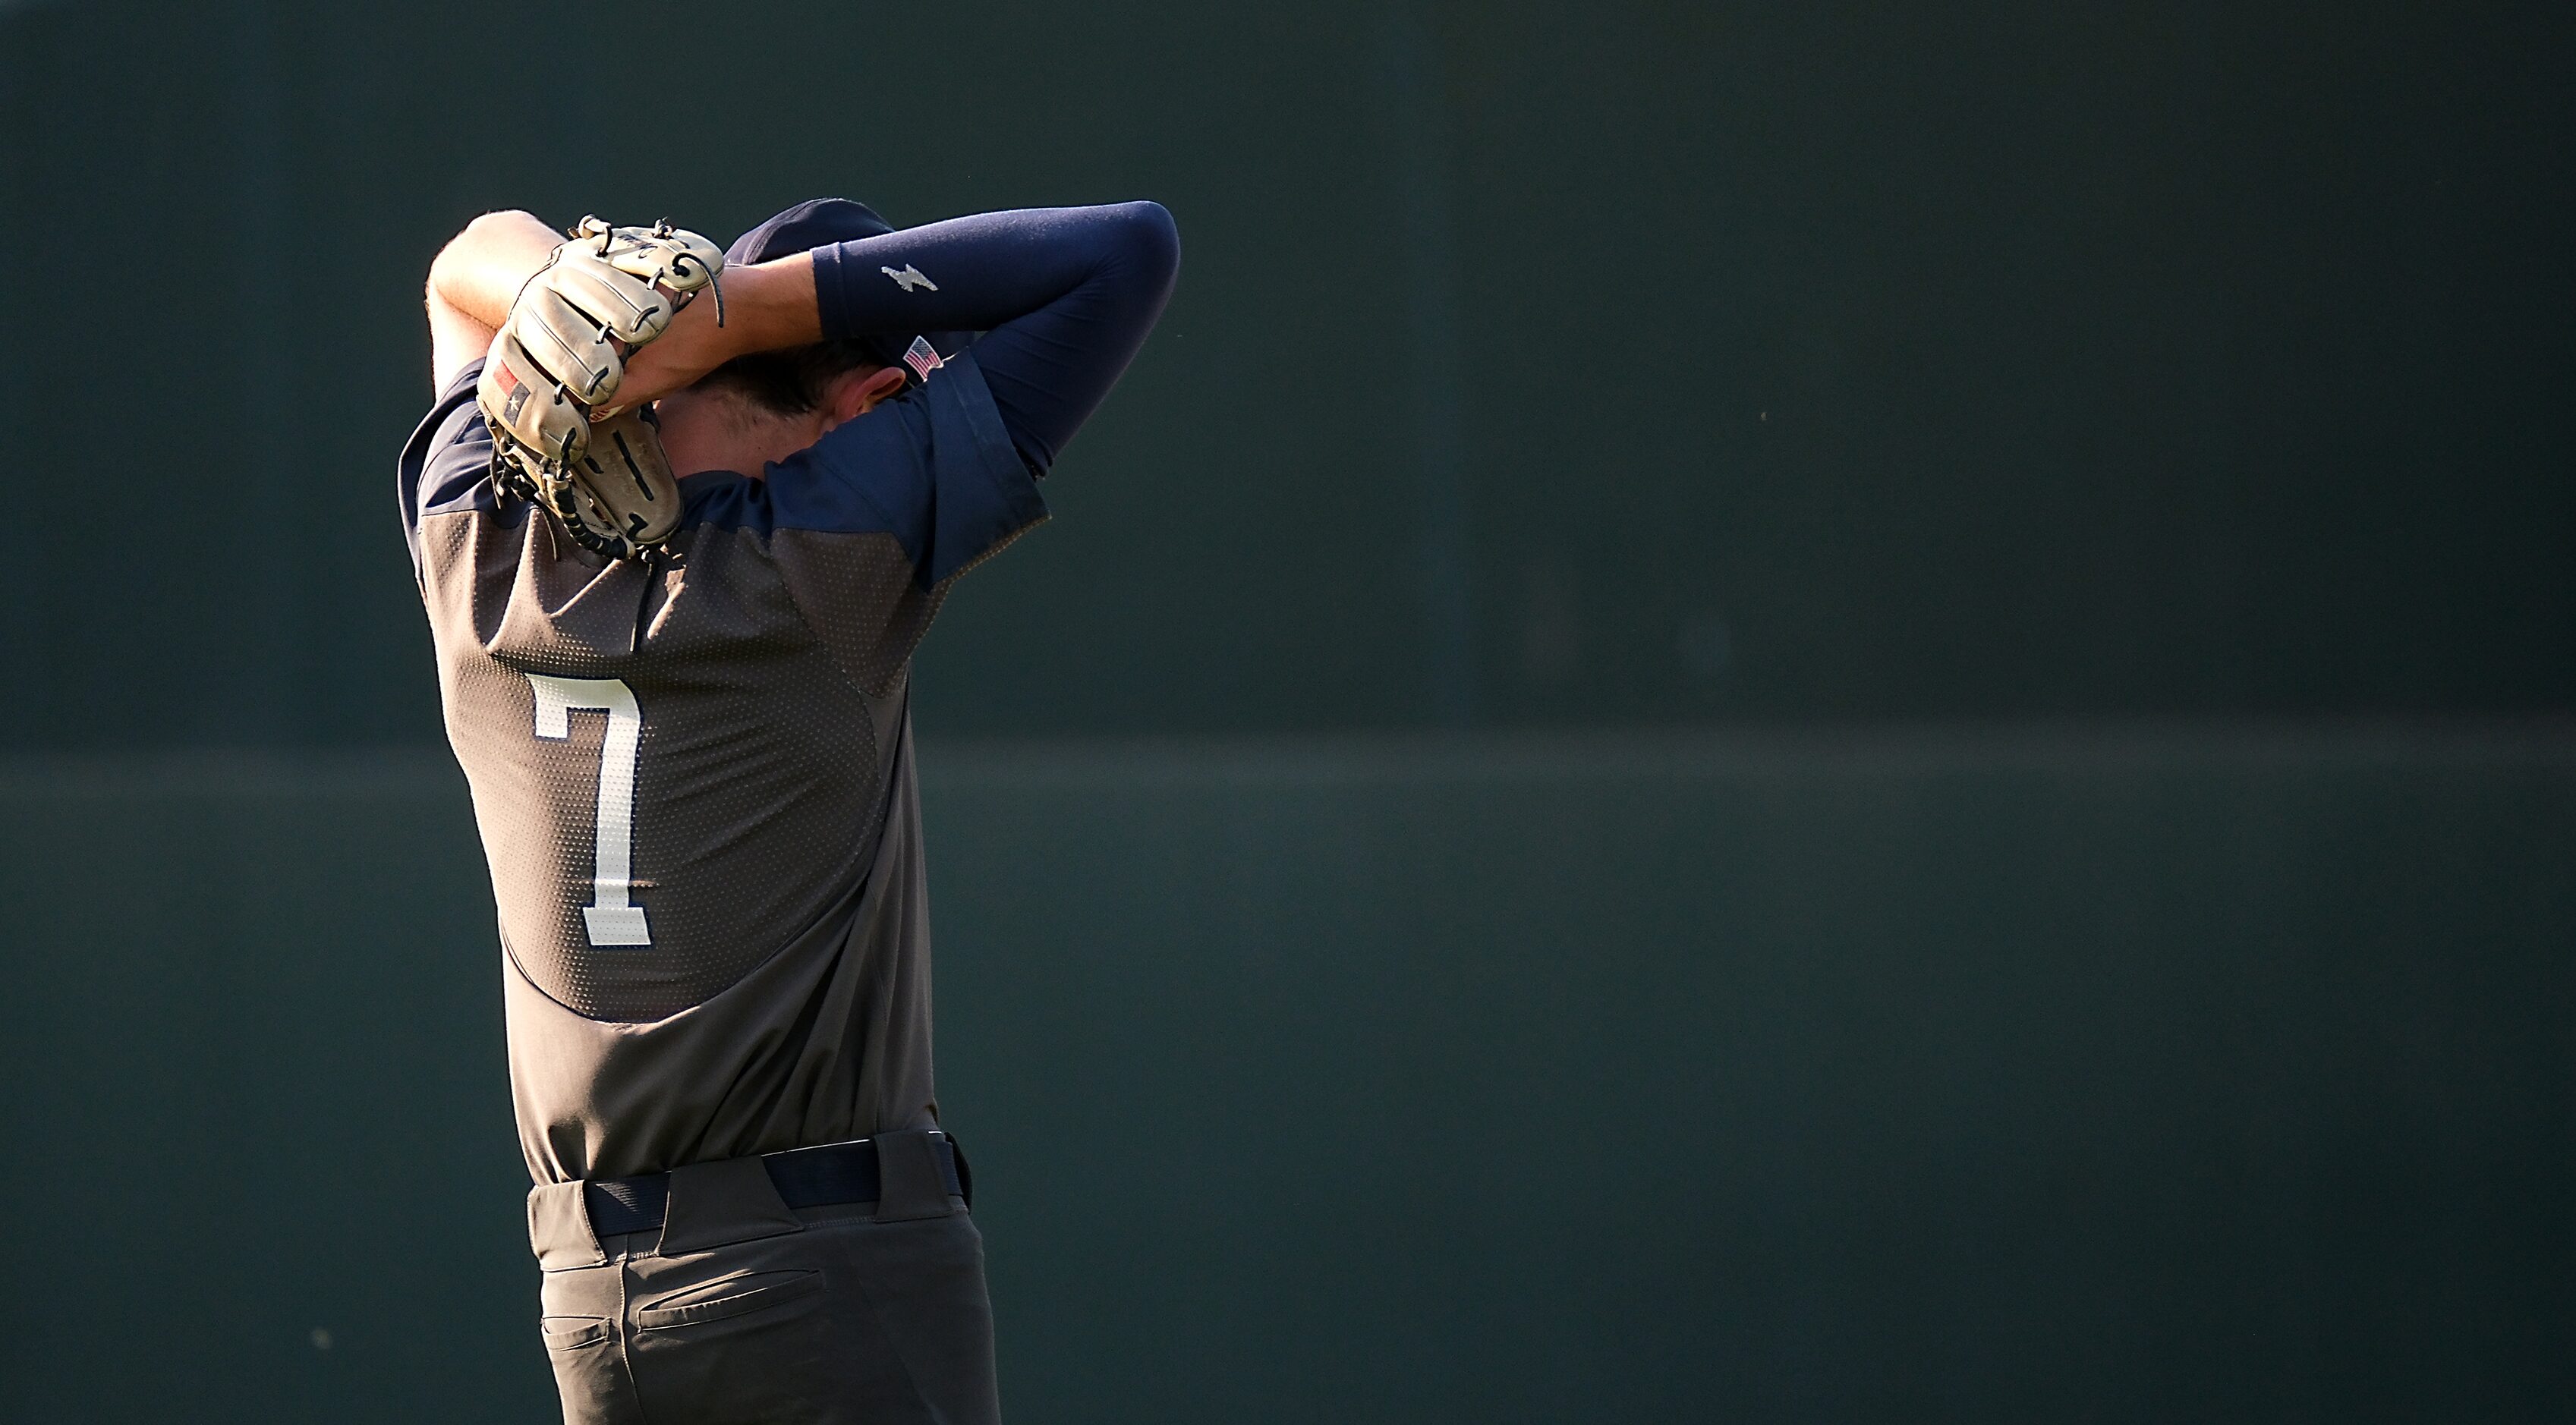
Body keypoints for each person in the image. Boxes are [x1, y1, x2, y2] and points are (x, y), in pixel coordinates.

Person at [398, 195, 1180, 1423]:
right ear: (868, 407)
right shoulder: (817, 565)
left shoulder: (484, 556)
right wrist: (728, 314)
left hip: (592, 1303)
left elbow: (459, 273)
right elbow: (1126, 250)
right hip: (833, 1279)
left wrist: (587, 297)